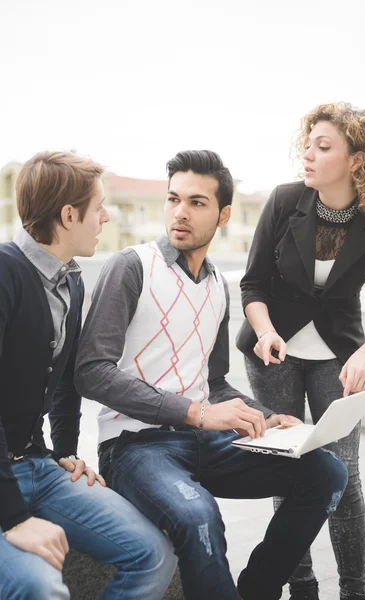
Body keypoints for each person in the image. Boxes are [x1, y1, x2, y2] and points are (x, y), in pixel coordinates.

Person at [75, 149, 348, 600]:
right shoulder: (131, 267)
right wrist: (196, 413)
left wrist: (266, 416)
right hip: (135, 446)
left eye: (197, 203)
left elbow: (213, 380)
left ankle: (256, 590)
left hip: (205, 442)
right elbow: (92, 373)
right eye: (173, 199)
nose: (180, 212)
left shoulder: (218, 286)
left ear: (223, 215)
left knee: (326, 471)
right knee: (199, 515)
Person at [236, 103, 365, 600]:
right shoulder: (286, 200)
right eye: (307, 144)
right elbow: (252, 285)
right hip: (273, 351)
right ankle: (301, 585)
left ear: (357, 160)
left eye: (322, 147)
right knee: (290, 466)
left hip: (341, 353)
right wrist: (264, 331)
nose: (307, 154)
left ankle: (356, 590)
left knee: (343, 474)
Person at [0, 151, 177, 600]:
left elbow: (63, 384)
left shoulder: (71, 281)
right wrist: (15, 518)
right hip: (4, 478)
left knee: (154, 553)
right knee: (39, 585)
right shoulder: (4, 273)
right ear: (68, 215)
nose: (105, 217)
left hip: (38, 466)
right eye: (99, 207)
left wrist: (63, 451)